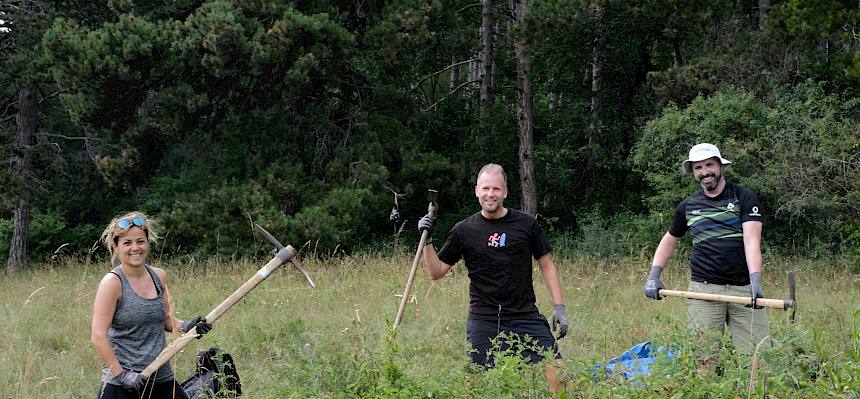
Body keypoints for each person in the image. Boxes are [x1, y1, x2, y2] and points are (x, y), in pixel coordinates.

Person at [418, 163, 569, 392]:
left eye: (496, 189)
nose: (491, 194)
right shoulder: (463, 230)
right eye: (486, 188)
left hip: (524, 314)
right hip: (484, 317)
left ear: (505, 192)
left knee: (558, 370)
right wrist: (427, 242)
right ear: (477, 190)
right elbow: (435, 272)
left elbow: (547, 265)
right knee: (474, 381)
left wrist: (559, 307)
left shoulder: (526, 224)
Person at [643, 143, 770, 362]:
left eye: (709, 165)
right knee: (703, 359)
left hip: (744, 290)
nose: (705, 172)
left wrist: (755, 282)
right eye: (698, 168)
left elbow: (751, 242)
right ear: (693, 173)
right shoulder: (688, 206)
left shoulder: (743, 197)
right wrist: (654, 276)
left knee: (758, 357)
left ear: (721, 167)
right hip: (704, 290)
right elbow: (669, 240)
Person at [92, 211, 212, 398]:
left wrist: (187, 326)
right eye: (127, 243)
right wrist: (121, 374)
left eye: (140, 241)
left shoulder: (159, 276)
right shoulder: (113, 283)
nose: (135, 248)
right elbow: (98, 336)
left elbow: (165, 319)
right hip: (122, 383)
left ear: (147, 243)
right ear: (116, 247)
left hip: (161, 376)